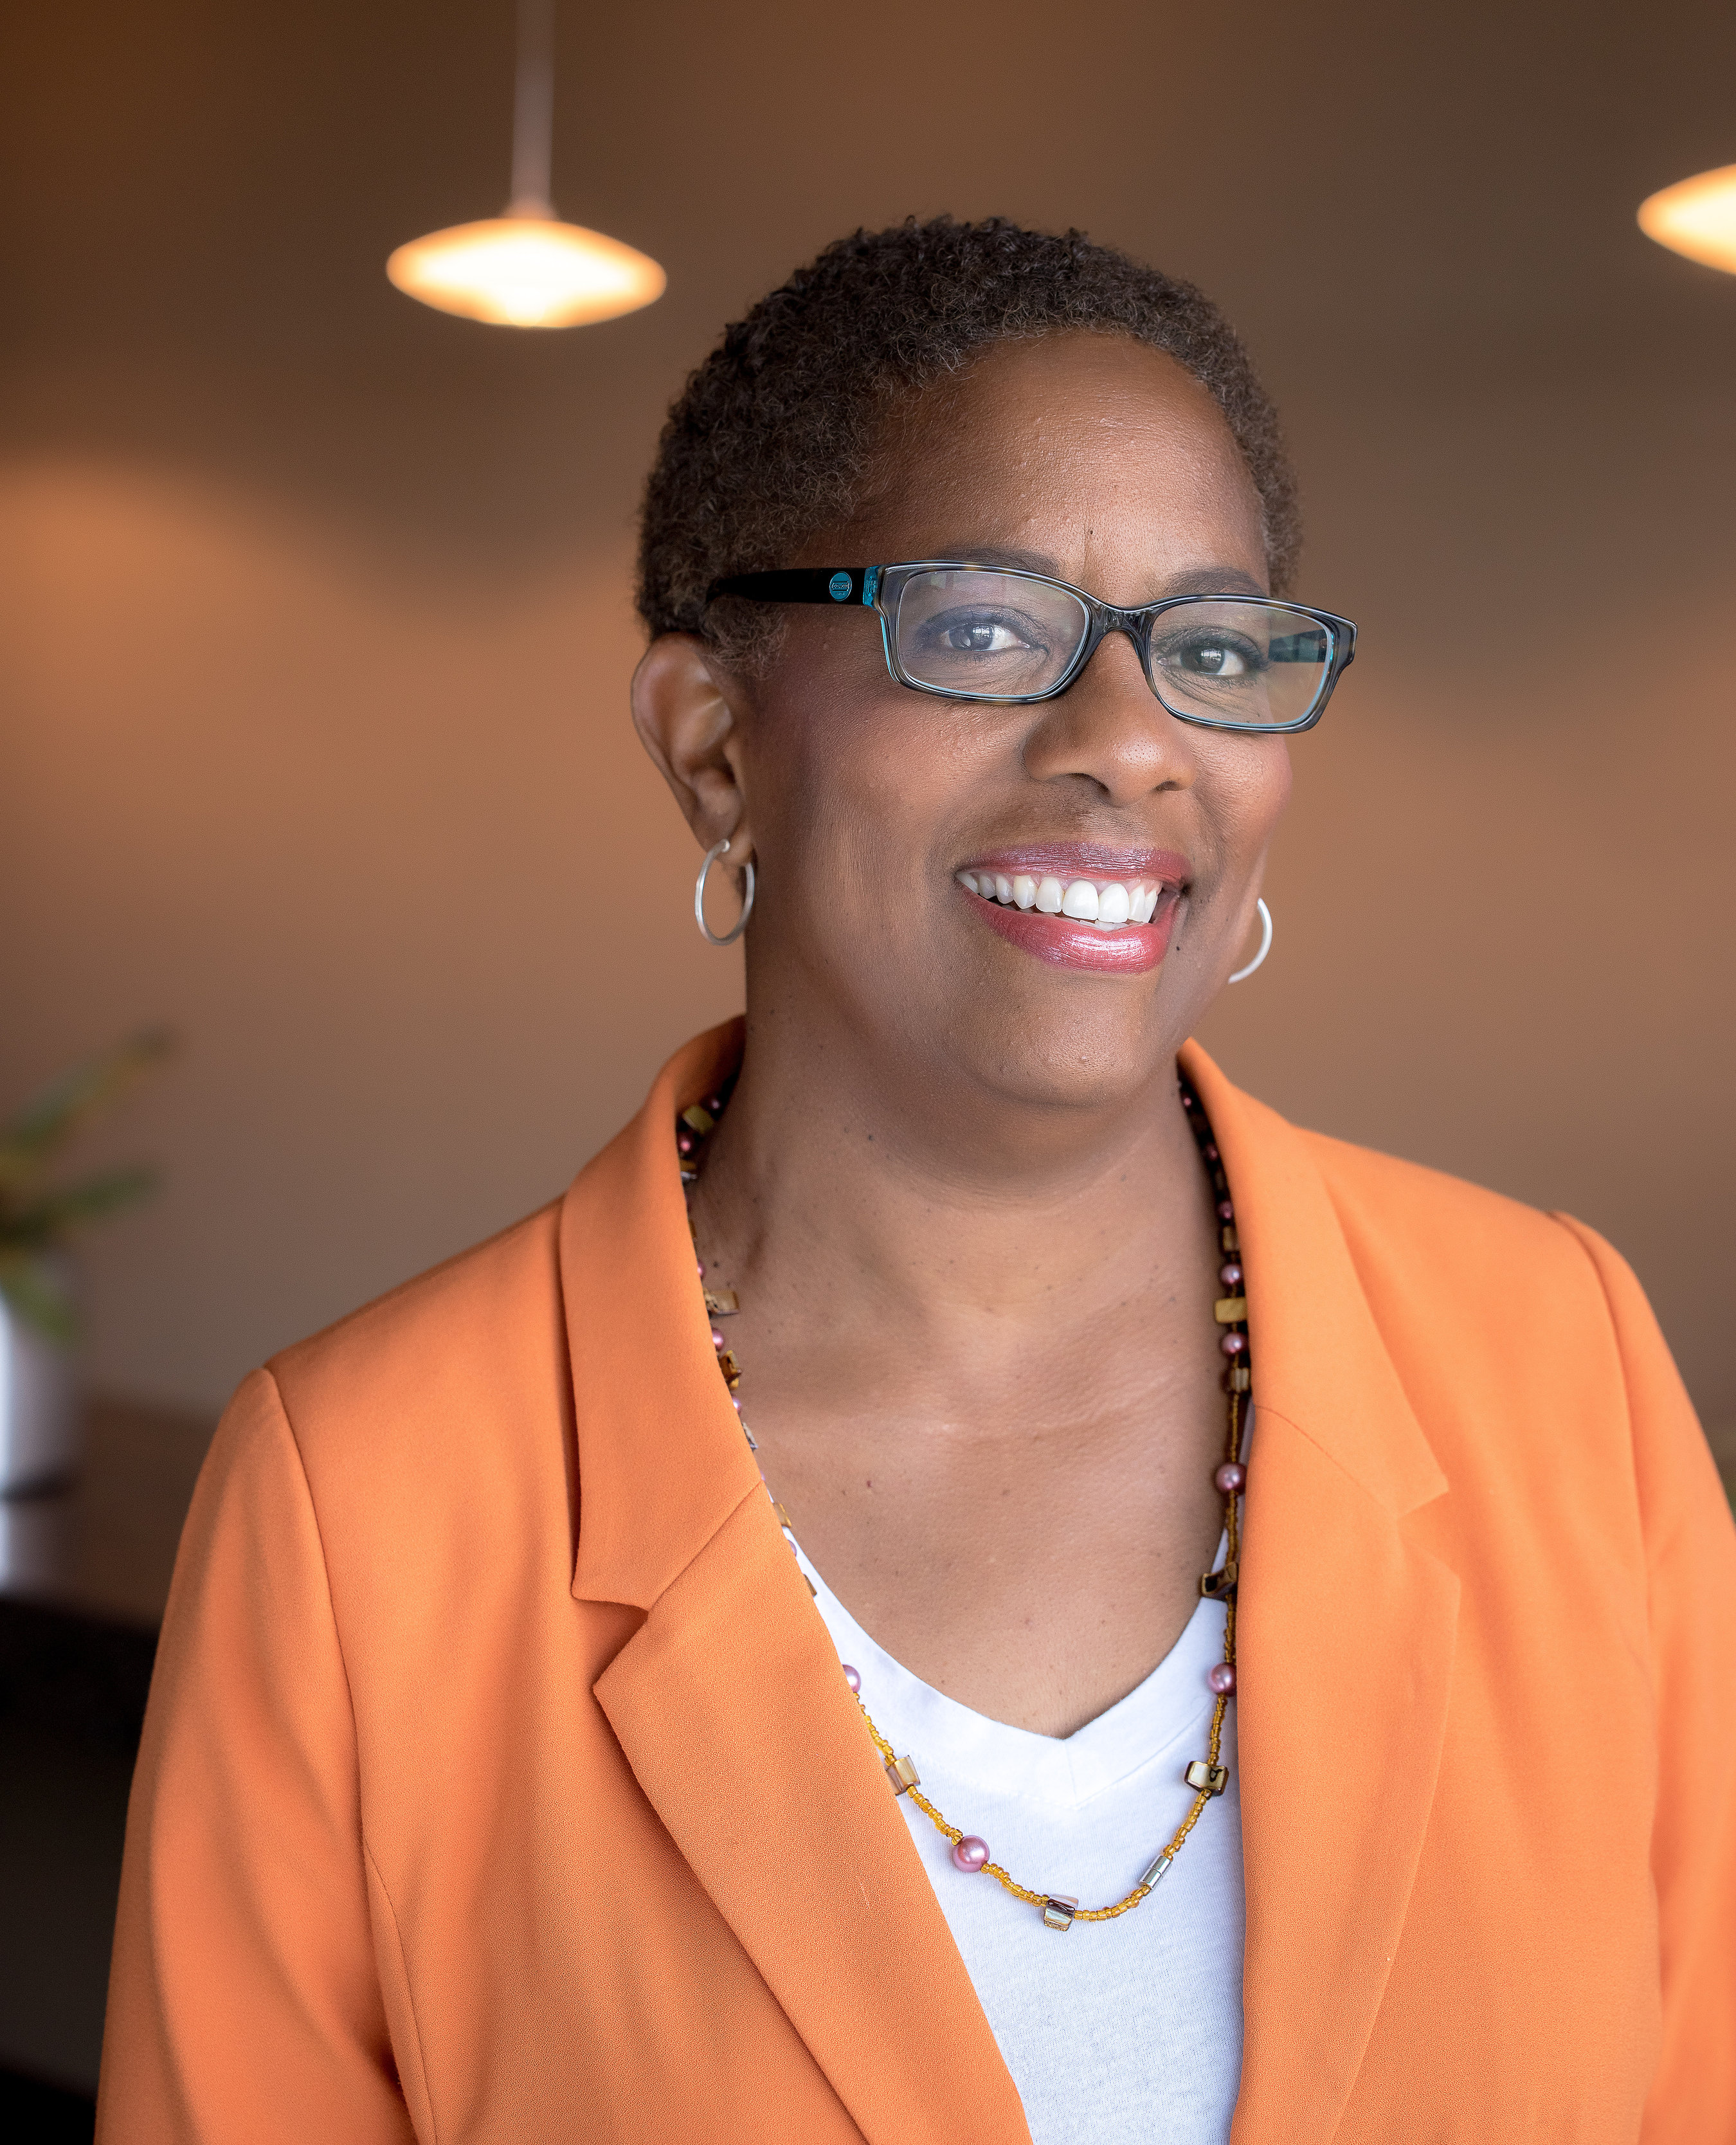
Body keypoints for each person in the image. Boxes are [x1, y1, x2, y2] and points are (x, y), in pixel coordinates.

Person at [98, 219, 1736, 2145]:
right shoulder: (359, 1502)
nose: (1130, 745)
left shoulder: (1560, 1357)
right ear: (714, 745)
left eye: (1212, 650)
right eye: (978, 627)